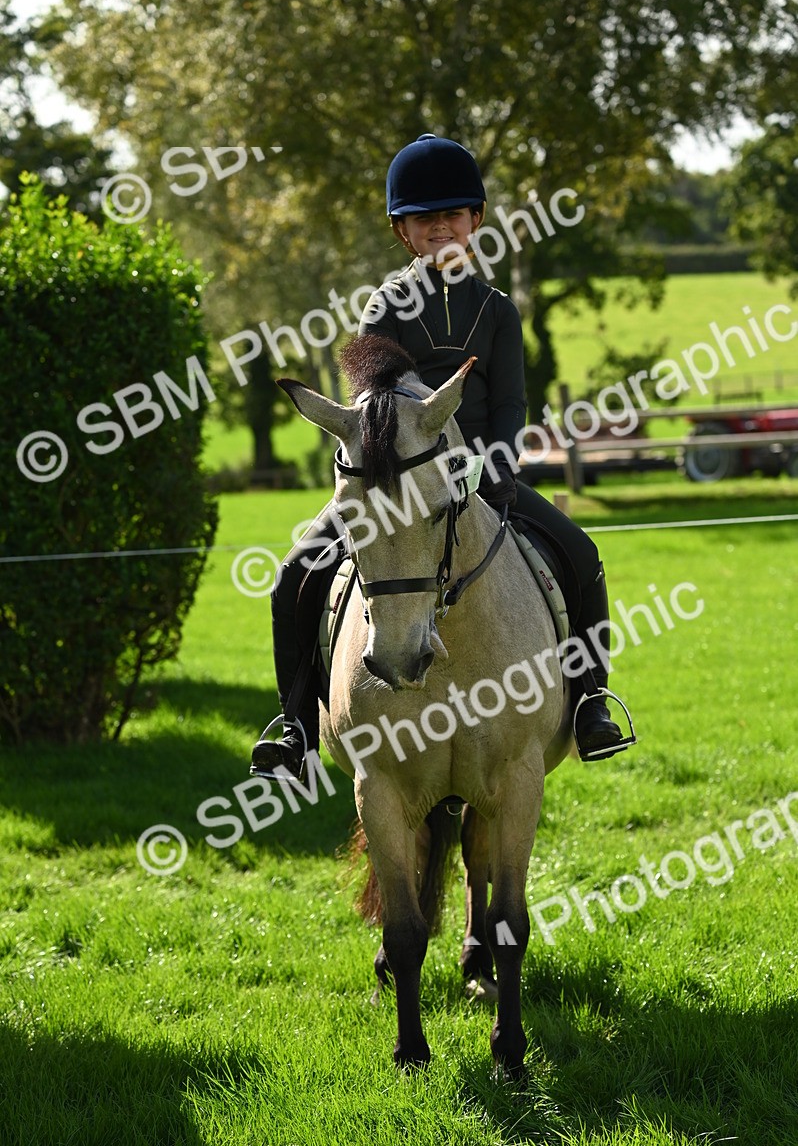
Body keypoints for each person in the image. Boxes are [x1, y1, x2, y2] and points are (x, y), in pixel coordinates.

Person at [251, 134, 632, 781]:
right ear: (402, 231)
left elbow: (509, 402)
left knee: (580, 553)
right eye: (424, 219)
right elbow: (373, 405)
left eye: (452, 215)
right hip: (394, 482)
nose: (440, 228)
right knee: (293, 576)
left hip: (485, 477)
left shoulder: (498, 311)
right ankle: (295, 726)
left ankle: (591, 699)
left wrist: (496, 464)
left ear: (475, 220)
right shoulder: (386, 307)